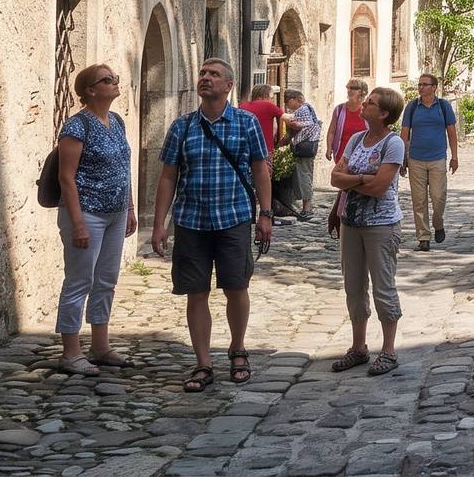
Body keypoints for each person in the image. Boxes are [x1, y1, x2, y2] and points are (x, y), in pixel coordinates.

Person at [152, 58, 273, 393]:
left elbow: (261, 169)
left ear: (228, 86)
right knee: (196, 292)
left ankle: (237, 349)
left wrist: (265, 214)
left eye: (213, 74)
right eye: (203, 73)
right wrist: (160, 224)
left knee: (236, 287)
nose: (205, 78)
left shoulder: (246, 123)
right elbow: (167, 177)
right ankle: (203, 362)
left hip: (233, 218)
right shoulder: (182, 126)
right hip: (191, 220)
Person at [54, 62, 135, 374]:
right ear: (89, 90)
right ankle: (71, 352)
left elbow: (123, 169)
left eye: (114, 77)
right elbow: (66, 178)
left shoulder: (116, 121)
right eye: (106, 79)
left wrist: (129, 208)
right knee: (79, 281)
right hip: (87, 212)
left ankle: (100, 346)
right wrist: (77, 223)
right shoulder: (76, 127)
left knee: (106, 281)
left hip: (114, 214)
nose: (114, 82)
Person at [327, 84, 405, 375]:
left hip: (381, 225)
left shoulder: (393, 143)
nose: (364, 104)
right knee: (354, 288)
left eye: (370, 102)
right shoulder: (357, 139)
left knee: (383, 287)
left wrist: (353, 179)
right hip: (351, 223)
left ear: (384, 113)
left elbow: (380, 187)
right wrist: (360, 179)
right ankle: (358, 347)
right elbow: (336, 177)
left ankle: (388, 350)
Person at [400, 74, 458, 251]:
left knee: (438, 196)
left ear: (434, 87)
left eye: (425, 85)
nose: (421, 87)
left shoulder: (443, 106)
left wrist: (454, 156)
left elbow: (452, 132)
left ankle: (438, 222)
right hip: (416, 159)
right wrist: (402, 158)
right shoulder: (412, 107)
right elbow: (404, 133)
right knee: (419, 200)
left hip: (438, 158)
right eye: (419, 85)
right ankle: (423, 238)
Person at [281, 87, 320, 221]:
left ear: (295, 100)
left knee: (304, 176)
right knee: (304, 176)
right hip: (307, 147)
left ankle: (307, 209)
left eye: (287, 101)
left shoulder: (302, 110)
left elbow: (295, 125)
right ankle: (306, 207)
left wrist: (284, 116)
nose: (286, 105)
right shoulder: (308, 109)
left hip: (304, 148)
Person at [328, 78, 369, 163]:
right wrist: (329, 148)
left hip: (363, 155)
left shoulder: (368, 110)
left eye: (353, 88)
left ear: (361, 91)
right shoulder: (339, 110)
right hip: (342, 154)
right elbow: (331, 132)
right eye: (348, 88)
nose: (349, 90)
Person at [240, 82, 286, 151]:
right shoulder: (269, 106)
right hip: (265, 150)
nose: (272, 101)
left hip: (245, 149)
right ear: (262, 96)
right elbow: (289, 118)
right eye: (271, 98)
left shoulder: (242, 106)